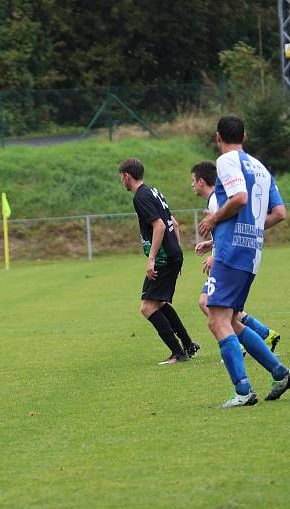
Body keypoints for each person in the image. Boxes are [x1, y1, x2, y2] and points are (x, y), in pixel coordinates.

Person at [197, 116, 290, 408]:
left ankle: (243, 391)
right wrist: (248, 229)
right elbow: (279, 213)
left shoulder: (226, 160)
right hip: (251, 253)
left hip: (232, 252)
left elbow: (239, 197)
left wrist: (214, 218)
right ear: (245, 136)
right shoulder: (260, 167)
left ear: (218, 137)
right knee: (232, 319)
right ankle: (280, 373)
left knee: (216, 319)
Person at [190, 160, 282, 354]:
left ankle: (235, 343)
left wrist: (216, 256)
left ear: (200, 181)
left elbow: (230, 231)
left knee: (209, 303)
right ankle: (264, 334)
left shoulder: (216, 200)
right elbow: (225, 229)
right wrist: (211, 243)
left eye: (192, 180)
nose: (191, 185)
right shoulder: (215, 199)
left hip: (226, 258)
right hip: (229, 255)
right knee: (223, 308)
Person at [118, 158, 199, 365]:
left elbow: (161, 226)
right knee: (160, 303)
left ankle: (179, 353)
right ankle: (188, 344)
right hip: (172, 255)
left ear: (127, 175)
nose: (121, 181)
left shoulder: (141, 196)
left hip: (164, 258)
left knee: (147, 307)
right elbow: (175, 222)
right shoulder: (154, 191)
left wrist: (152, 259)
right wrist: (177, 254)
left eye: (121, 177)